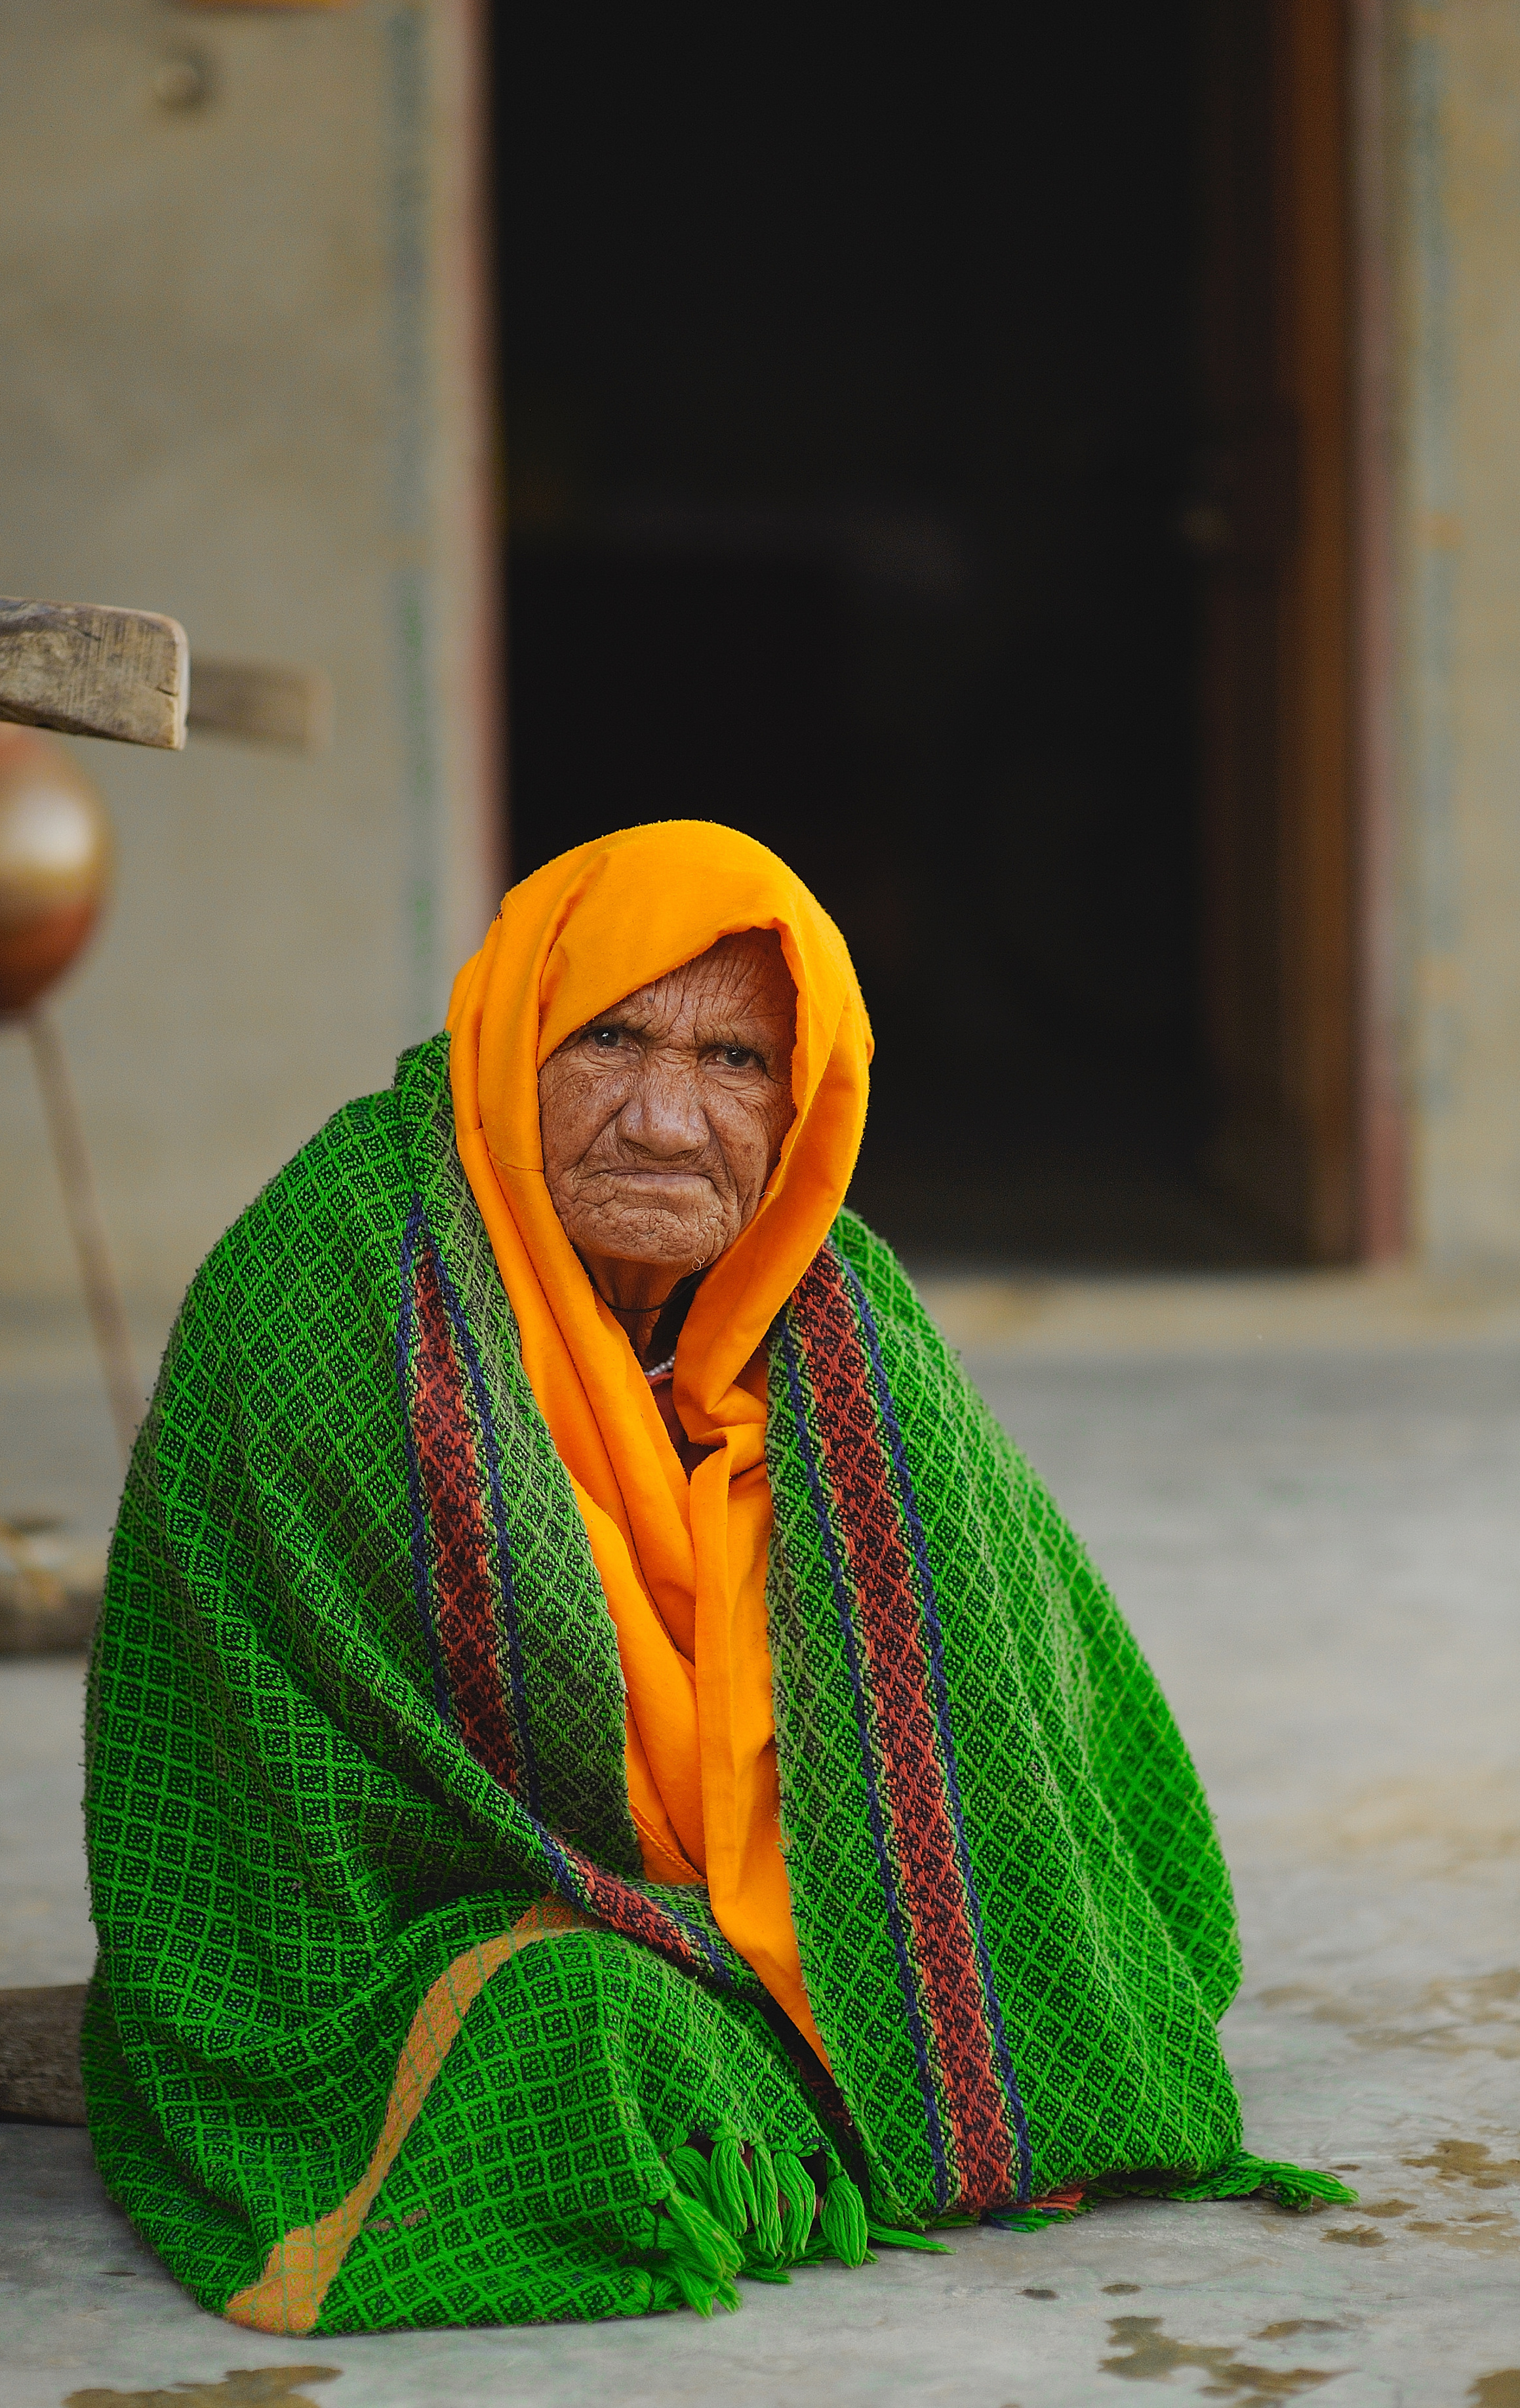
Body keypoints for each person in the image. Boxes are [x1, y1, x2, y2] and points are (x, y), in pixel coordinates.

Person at [84, 821, 1350, 2334]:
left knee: (1026, 1984)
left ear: (805, 1098)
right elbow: (331, 1758)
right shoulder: (347, 1265)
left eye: (734, 1059)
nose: (664, 1119)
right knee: (589, 2040)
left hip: (758, 1892)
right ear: (512, 1038)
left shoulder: (833, 1301)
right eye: (606, 1038)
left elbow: (1014, 1682)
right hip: (422, 1907)